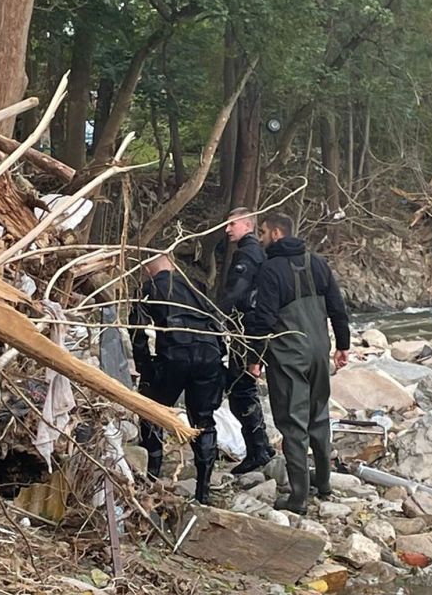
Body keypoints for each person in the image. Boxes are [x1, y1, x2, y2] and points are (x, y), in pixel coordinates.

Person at [245, 213, 350, 514]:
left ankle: (298, 497)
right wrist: (342, 345)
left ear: (277, 233)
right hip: (319, 351)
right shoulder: (318, 262)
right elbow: (337, 308)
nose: (260, 237)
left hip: (289, 354)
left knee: (293, 423)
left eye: (263, 232)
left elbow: (263, 318)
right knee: (319, 416)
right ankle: (325, 483)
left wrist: (255, 357)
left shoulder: (270, 269)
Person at [131, 252, 226, 505]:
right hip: (209, 355)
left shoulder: (147, 289)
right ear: (172, 265)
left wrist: (145, 366)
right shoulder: (195, 287)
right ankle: (203, 490)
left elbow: (137, 331)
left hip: (174, 355)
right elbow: (216, 322)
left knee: (152, 410)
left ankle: (152, 474)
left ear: (148, 269)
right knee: (204, 420)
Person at [217, 208, 276, 476]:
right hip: (251, 326)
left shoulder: (247, 252)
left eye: (232, 224)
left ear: (247, 225)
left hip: (247, 327)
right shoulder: (255, 251)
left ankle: (258, 450)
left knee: (241, 388)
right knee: (243, 385)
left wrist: (217, 316)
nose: (227, 229)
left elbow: (238, 289)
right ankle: (260, 446)